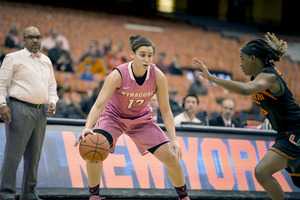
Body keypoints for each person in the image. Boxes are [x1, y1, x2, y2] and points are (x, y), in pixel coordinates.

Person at [74, 35, 190, 200]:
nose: (147, 59)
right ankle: (94, 196)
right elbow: (99, 105)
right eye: (142, 54)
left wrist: (174, 139)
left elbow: (165, 110)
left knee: (171, 158)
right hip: (113, 117)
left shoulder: (158, 76)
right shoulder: (118, 74)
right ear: (132, 55)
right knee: (94, 147)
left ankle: (184, 197)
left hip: (141, 120)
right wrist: (87, 127)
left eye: (150, 55)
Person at [193, 32, 300, 200]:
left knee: (262, 171)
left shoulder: (269, 76)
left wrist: (212, 78)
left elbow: (244, 89)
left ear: (252, 59)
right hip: (284, 133)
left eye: (242, 59)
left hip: (295, 131)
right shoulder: (257, 76)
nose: (240, 64)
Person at [0, 26, 58, 200]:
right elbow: (1, 83)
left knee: (34, 156)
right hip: (19, 108)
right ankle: (6, 192)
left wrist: (53, 101)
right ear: (23, 40)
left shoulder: (46, 61)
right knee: (14, 153)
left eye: (38, 37)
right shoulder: (13, 58)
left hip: (41, 111)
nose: (35, 40)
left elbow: (52, 86)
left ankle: (29, 193)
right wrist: (2, 104)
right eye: (31, 37)